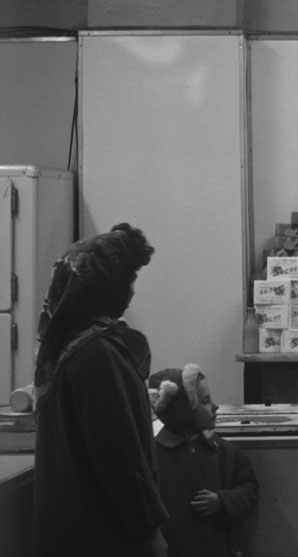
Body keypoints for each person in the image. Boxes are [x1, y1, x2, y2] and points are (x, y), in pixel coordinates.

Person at [32, 223, 169, 556]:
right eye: (129, 282)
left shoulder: (65, 347)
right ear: (104, 289)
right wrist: (149, 530)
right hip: (105, 536)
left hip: (72, 532)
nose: (133, 293)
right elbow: (120, 456)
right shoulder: (97, 356)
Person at [148, 363, 260, 557]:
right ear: (183, 411)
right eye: (206, 401)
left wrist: (222, 501)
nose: (215, 406)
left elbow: (248, 490)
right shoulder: (154, 458)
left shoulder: (225, 452)